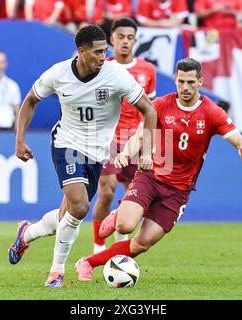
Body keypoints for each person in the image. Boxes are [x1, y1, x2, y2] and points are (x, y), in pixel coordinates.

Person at [74, 57, 242, 281]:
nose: (186, 88)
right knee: (125, 226)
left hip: (178, 191)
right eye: (181, 82)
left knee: (142, 243)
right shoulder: (161, 104)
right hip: (150, 177)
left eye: (191, 82)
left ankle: (87, 262)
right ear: (175, 80)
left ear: (200, 81)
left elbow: (239, 139)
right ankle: (121, 214)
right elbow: (140, 135)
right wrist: (125, 153)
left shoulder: (211, 112)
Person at [8, 24, 157, 288]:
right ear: (81, 52)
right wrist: (19, 140)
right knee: (79, 207)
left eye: (104, 51)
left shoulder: (116, 76)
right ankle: (56, 273)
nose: (103, 57)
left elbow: (149, 110)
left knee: (67, 217)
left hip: (97, 154)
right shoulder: (58, 73)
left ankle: (26, 234)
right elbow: (31, 100)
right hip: (66, 142)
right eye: (98, 52)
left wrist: (149, 148)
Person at [91, 18, 157, 254]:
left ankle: (119, 247)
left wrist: (147, 146)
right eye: (121, 37)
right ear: (111, 39)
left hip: (135, 140)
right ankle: (98, 246)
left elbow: (150, 110)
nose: (125, 42)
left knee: (134, 198)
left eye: (130, 37)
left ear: (135, 40)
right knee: (106, 191)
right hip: (109, 138)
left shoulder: (147, 70)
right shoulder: (102, 68)